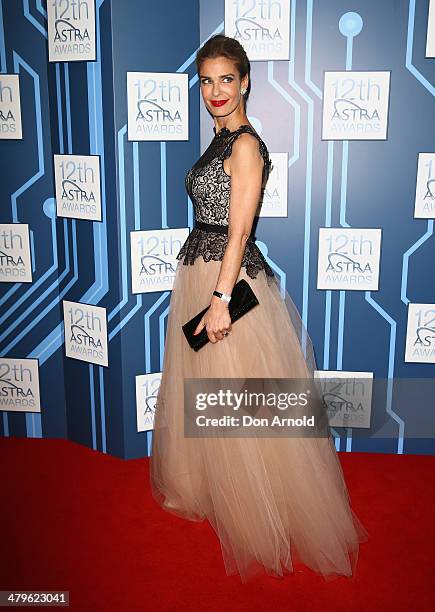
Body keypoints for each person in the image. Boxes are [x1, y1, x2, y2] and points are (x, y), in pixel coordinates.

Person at [149, 34, 368, 583]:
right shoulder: (219, 139)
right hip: (203, 272)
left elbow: (241, 227)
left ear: (245, 81)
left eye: (227, 79)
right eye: (206, 81)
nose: (216, 91)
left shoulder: (245, 144)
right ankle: (218, 488)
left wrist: (220, 300)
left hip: (229, 283)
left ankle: (261, 508)